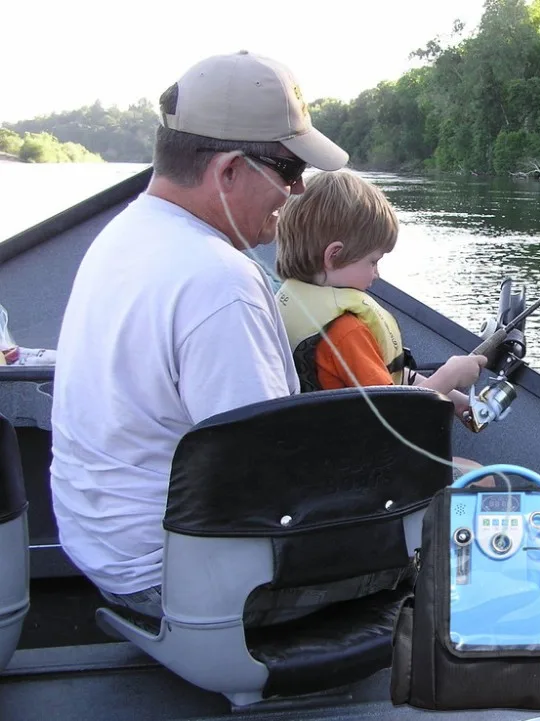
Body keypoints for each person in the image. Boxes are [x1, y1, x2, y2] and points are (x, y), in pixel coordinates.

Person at [49, 51, 358, 626]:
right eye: (290, 173)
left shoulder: (125, 232)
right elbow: (272, 486)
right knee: (451, 508)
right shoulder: (219, 280)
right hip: (182, 586)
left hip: (102, 556)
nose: (296, 193)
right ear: (230, 170)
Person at [273, 170, 487, 479]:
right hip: (358, 471)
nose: (377, 273)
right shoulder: (345, 331)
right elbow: (398, 414)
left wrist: (454, 400)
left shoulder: (296, 299)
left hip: (321, 454)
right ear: (334, 256)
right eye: (372, 261)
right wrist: (451, 374)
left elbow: (382, 379)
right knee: (481, 477)